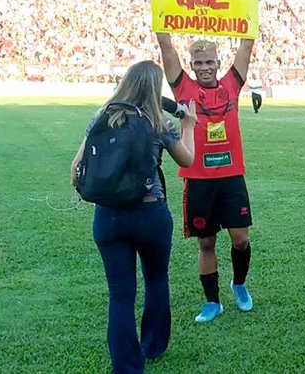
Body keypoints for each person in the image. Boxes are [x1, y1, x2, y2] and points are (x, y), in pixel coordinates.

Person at [144, 0, 262, 323]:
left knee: (240, 239)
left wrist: (252, 4)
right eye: (200, 64)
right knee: (206, 243)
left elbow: (247, 44)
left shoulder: (231, 84)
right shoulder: (183, 87)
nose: (206, 68)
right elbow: (166, 47)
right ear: (192, 66)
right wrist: (157, 3)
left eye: (210, 62)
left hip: (231, 176)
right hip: (198, 179)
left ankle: (239, 284)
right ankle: (212, 302)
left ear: (217, 61)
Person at [70, 60, 198, 374]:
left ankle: (126, 366)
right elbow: (188, 160)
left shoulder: (102, 117)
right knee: (156, 278)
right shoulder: (158, 122)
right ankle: (153, 345)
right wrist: (189, 126)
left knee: (120, 294)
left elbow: (76, 170)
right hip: (149, 215)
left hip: (108, 218)